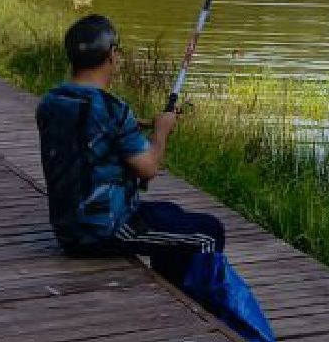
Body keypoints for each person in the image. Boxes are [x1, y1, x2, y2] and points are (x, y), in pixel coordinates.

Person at [36, 15, 226, 282]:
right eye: (118, 50)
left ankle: (172, 289)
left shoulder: (52, 101)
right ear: (111, 55)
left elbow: (88, 126)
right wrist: (161, 131)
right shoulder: (114, 110)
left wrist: (141, 124)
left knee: (172, 213)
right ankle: (206, 308)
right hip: (105, 229)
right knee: (209, 232)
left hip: (68, 227)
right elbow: (147, 169)